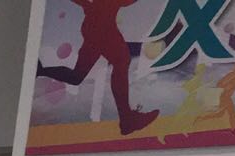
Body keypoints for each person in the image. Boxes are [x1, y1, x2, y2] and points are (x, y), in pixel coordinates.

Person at [35, 0, 159, 135]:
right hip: (102, 26)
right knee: (121, 61)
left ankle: (40, 70)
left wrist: (88, 5)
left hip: (96, 25)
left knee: (77, 76)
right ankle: (127, 119)